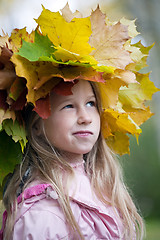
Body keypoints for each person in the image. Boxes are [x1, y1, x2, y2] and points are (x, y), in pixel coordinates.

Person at [0, 3, 158, 240]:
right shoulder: (41, 215)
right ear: (36, 126)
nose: (85, 117)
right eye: (68, 106)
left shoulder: (104, 191)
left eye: (91, 104)